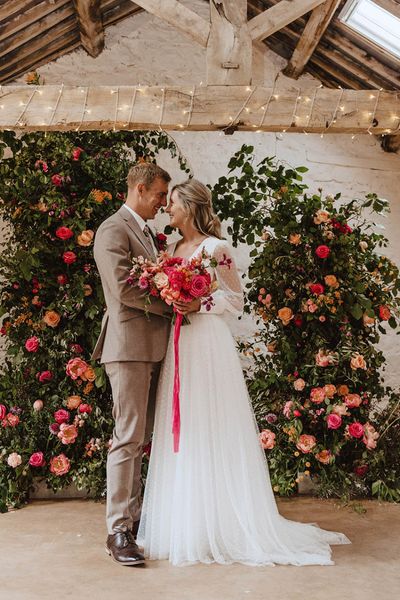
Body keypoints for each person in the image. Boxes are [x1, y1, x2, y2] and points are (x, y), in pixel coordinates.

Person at [137, 179, 351, 566]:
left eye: (172, 202)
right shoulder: (170, 248)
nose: (167, 208)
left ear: (188, 205)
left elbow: (235, 300)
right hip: (180, 344)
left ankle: (224, 522)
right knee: (186, 425)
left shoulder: (216, 249)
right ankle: (188, 522)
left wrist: (195, 304)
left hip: (206, 343)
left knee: (211, 421)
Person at [92, 162, 171, 566]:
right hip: (127, 347)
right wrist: (172, 302)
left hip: (154, 346)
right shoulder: (113, 230)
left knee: (143, 437)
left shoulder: (147, 233)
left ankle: (136, 519)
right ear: (140, 189)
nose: (163, 203)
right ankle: (118, 530)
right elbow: (123, 290)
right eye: (159, 195)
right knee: (127, 438)